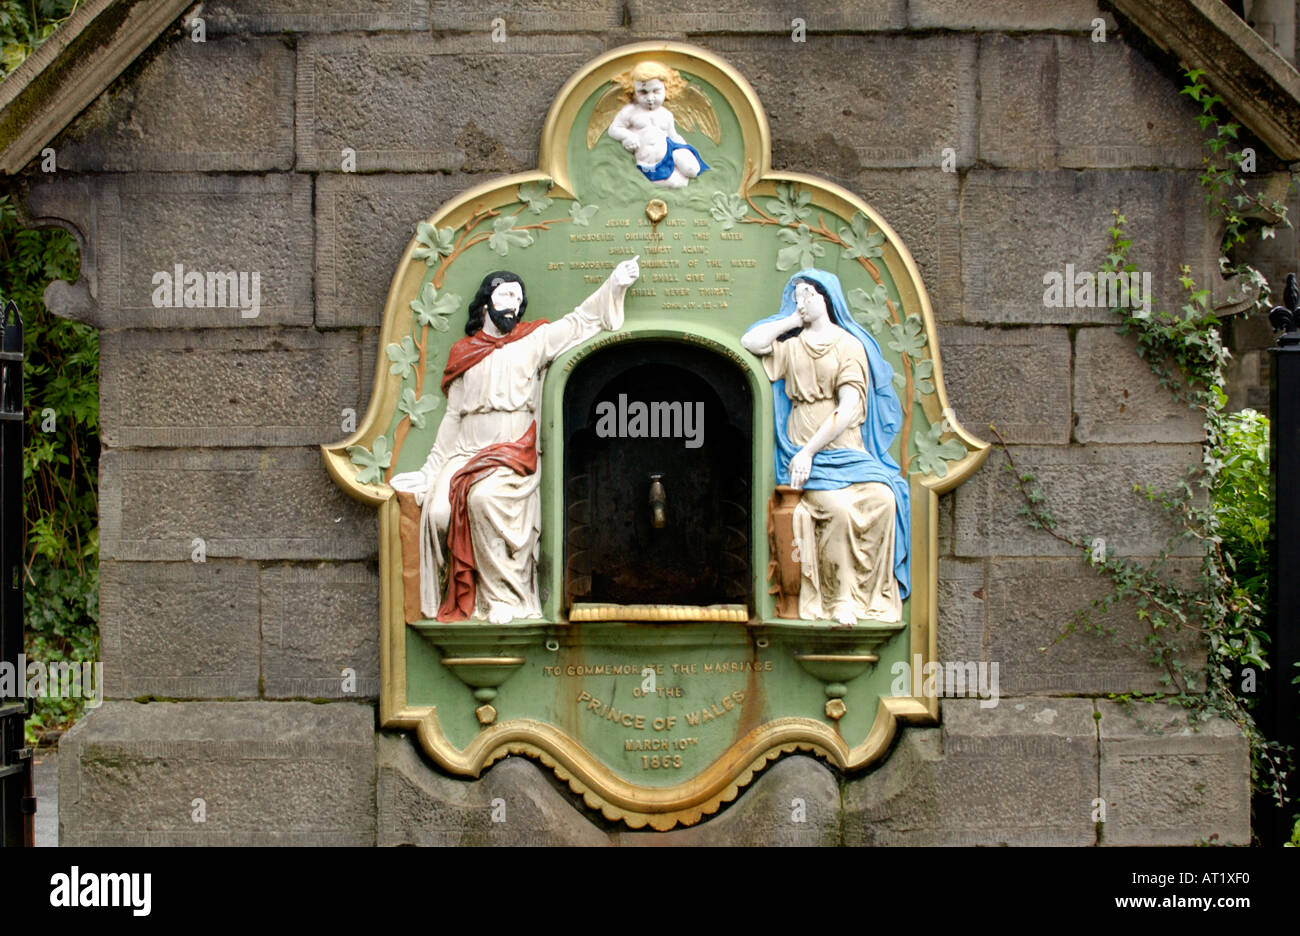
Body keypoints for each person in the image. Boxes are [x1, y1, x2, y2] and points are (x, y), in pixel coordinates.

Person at [390, 258, 640, 623]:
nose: (512, 304)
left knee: (483, 500)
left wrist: (614, 285)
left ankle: (504, 598)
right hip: (465, 452)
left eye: (517, 299)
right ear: (486, 302)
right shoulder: (465, 353)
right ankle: (461, 596)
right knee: (440, 513)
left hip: (512, 455)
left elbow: (580, 322)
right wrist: (431, 472)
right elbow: (451, 418)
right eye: (505, 295)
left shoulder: (533, 340)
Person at [740, 269, 911, 625]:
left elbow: (847, 409)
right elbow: (751, 342)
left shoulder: (849, 346)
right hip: (802, 452)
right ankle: (840, 599)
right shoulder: (792, 346)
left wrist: (811, 451)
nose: (802, 301)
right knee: (836, 509)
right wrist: (789, 319)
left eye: (808, 295)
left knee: (884, 499)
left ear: (826, 298)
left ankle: (871, 596)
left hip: (842, 449)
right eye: (797, 295)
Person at [606, 61, 710, 188]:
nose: (650, 98)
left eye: (656, 91)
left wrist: (684, 147)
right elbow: (613, 129)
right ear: (634, 91)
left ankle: (686, 166)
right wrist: (627, 136)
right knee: (677, 183)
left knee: (691, 169)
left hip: (670, 153)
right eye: (643, 92)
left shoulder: (666, 114)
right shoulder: (630, 111)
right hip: (650, 164)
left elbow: (673, 135)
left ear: (666, 88)